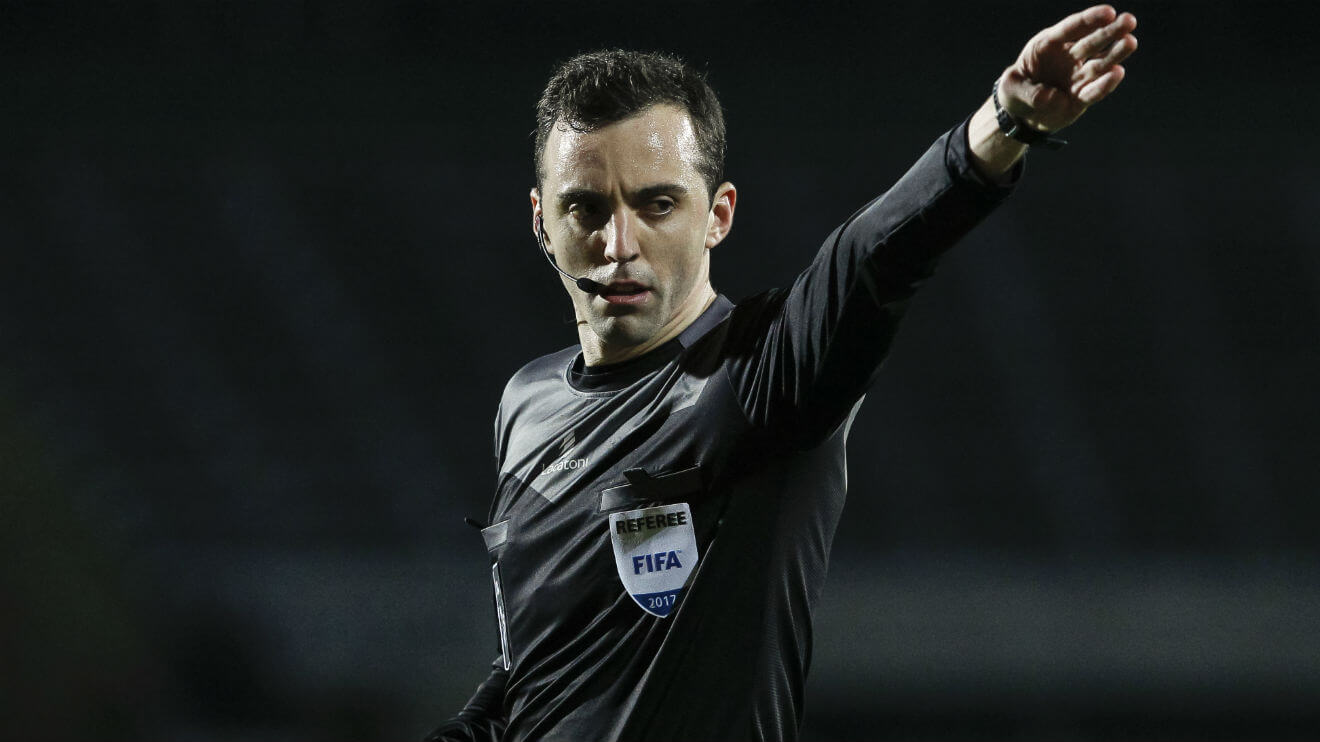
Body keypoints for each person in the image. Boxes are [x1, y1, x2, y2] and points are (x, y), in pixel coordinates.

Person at [427, 6, 1138, 741]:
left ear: (718, 215)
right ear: (543, 224)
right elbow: (527, 674)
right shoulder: (527, 403)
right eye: (586, 208)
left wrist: (1003, 126)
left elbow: (873, 259)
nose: (618, 244)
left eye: (658, 204)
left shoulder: (759, 377)